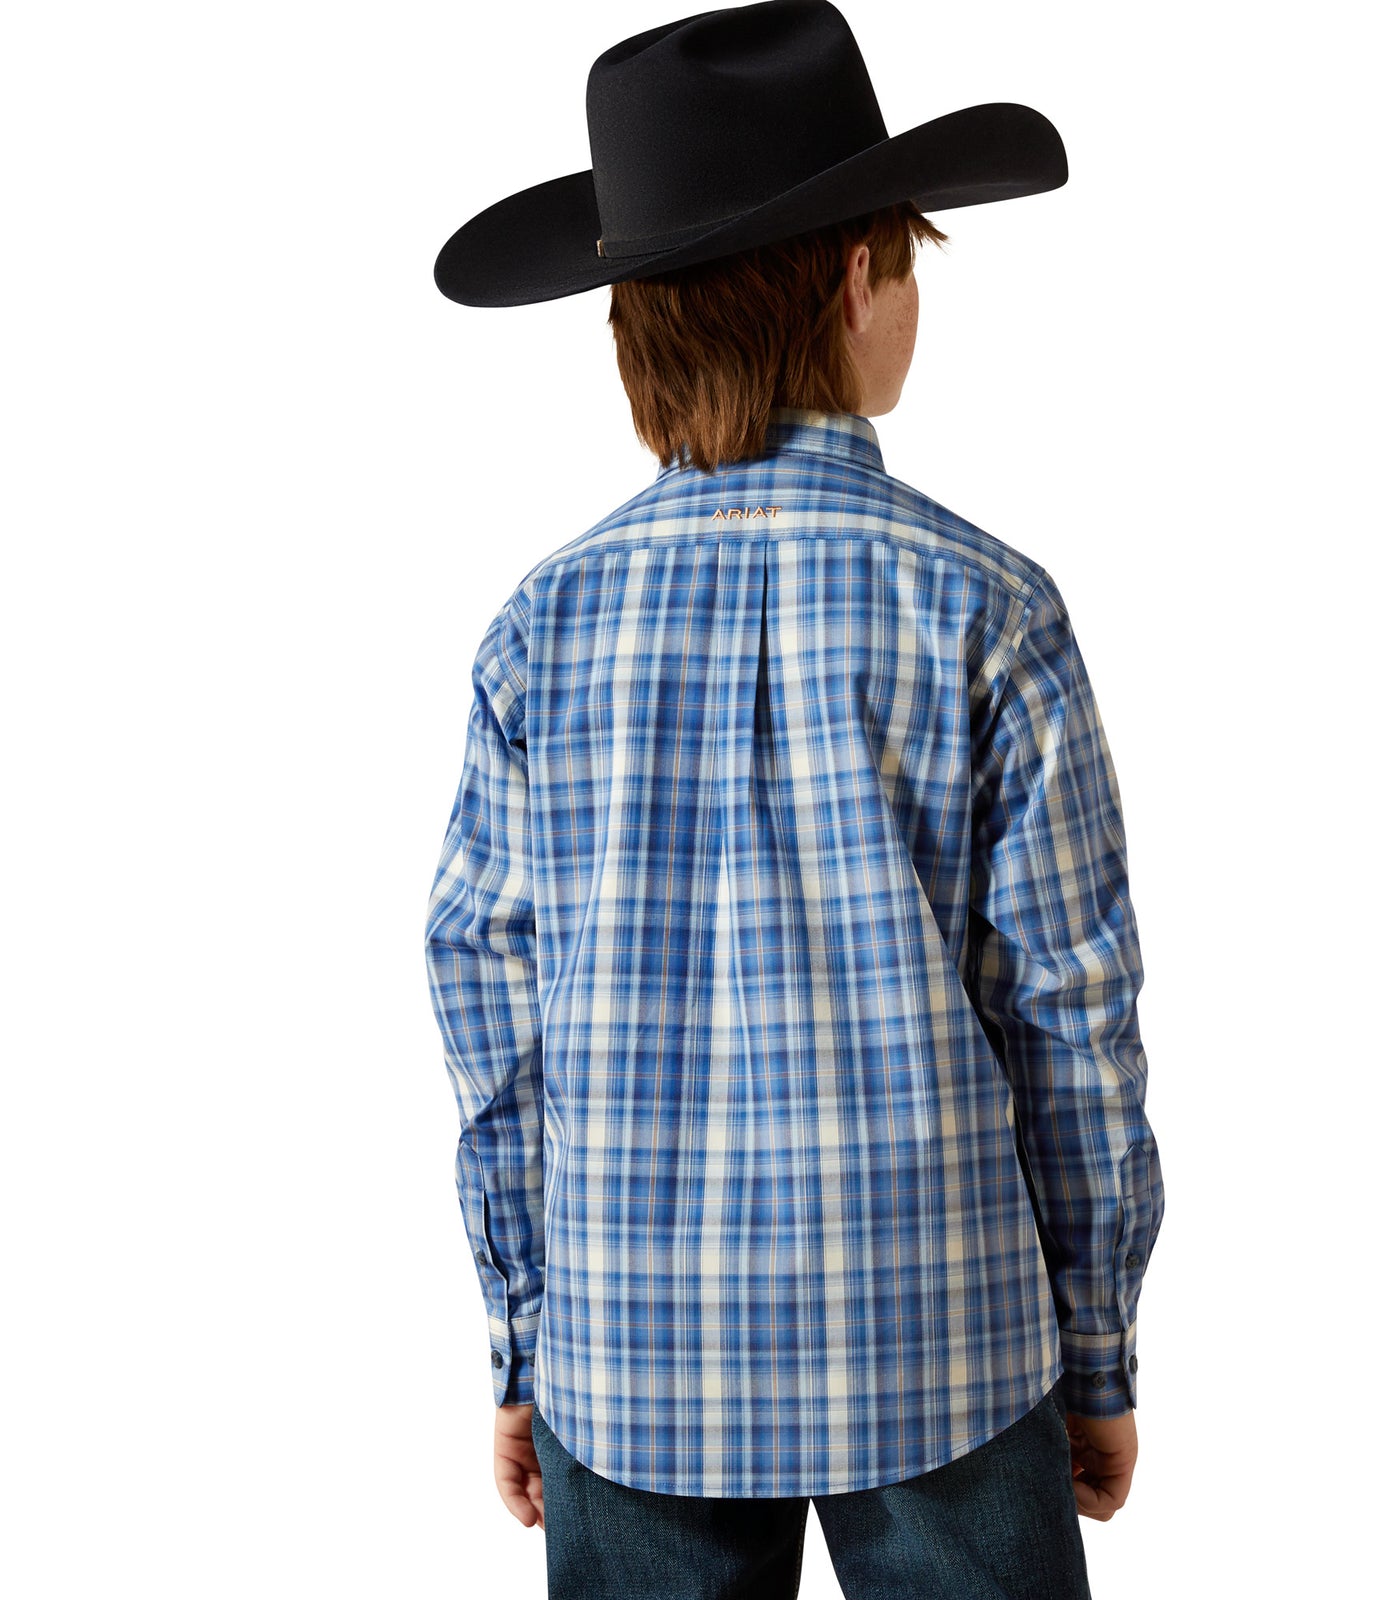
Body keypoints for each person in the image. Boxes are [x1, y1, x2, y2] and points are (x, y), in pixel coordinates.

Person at [423, 4, 1164, 1596]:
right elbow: (1072, 1006)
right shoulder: (989, 607)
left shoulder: (539, 632)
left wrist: (522, 1336)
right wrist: (1094, 1341)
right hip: (950, 1344)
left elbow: (492, 1011)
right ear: (856, 282)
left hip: (629, 1353)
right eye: (910, 260)